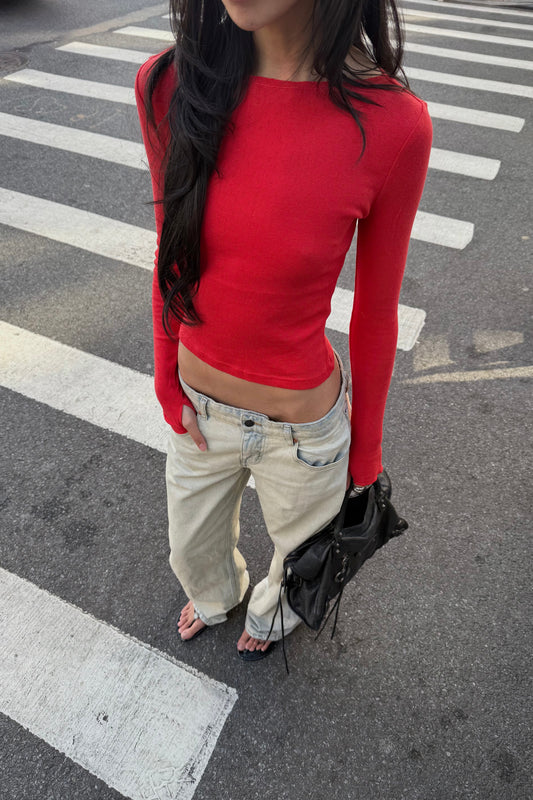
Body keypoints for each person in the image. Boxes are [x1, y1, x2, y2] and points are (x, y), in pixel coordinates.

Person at [135, 0, 432, 664]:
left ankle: (271, 616)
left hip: (303, 434)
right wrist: (163, 370)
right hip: (199, 412)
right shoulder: (169, 85)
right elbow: (169, 251)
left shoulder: (392, 123)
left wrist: (366, 458)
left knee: (298, 565)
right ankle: (217, 596)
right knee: (191, 551)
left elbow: (375, 313)